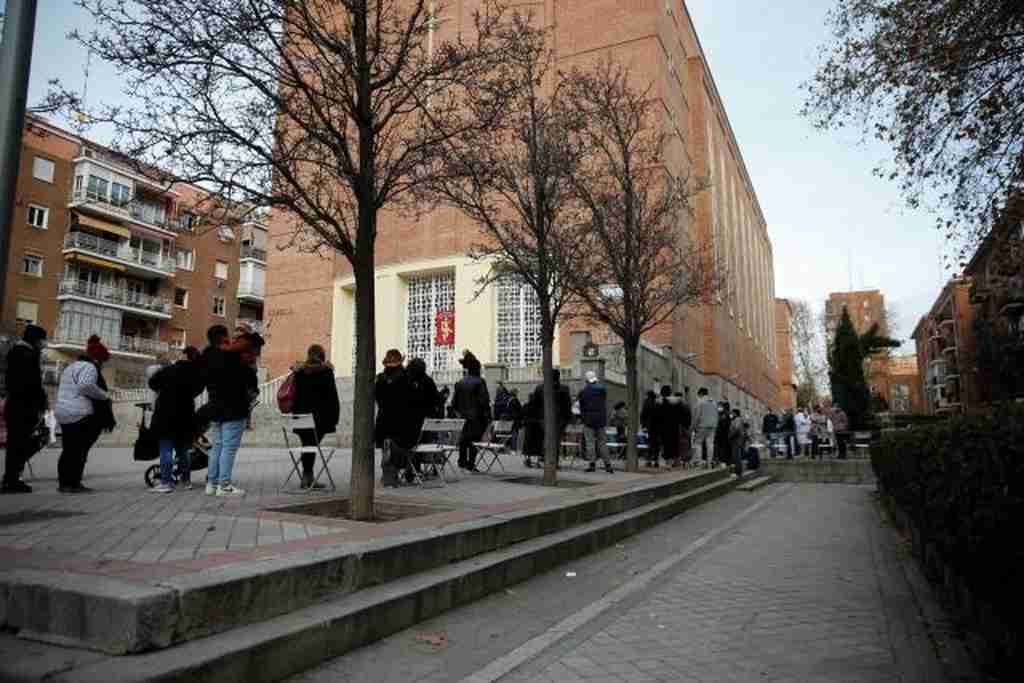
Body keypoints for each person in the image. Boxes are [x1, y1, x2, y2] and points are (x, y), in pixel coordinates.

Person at [203, 327, 261, 496]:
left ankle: (212, 485)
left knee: (217, 447)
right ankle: (225, 485)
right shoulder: (232, 356)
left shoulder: (207, 355)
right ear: (223, 338)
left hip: (215, 406)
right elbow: (257, 342)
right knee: (228, 448)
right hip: (234, 407)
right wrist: (248, 332)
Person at [54, 336, 114, 493]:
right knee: (79, 450)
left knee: (68, 449)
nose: (102, 364)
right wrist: (104, 395)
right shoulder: (90, 367)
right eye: (102, 361)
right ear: (98, 358)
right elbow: (85, 385)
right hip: (79, 413)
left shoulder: (71, 366)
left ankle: (64, 483)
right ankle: (73, 483)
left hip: (63, 412)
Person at [148, 346, 206, 492]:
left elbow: (153, 383)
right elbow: (198, 390)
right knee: (183, 451)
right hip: (186, 415)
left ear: (184, 355)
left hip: (165, 415)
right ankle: (185, 481)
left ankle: (166, 482)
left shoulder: (168, 370)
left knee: (166, 449)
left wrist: (166, 391)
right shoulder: (196, 374)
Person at [2, 325, 49, 493]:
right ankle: (11, 480)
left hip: (18, 405)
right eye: (43, 339)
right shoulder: (25, 354)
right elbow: (31, 384)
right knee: (18, 444)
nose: (44, 343)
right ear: (35, 339)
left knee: (17, 444)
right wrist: (40, 402)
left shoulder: (20, 352)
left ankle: (12, 478)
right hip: (22, 407)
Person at [291, 344, 341, 488]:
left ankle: (307, 476)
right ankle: (308, 477)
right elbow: (332, 396)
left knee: (307, 444)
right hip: (320, 418)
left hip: (300, 418)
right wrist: (335, 417)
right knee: (311, 444)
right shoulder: (326, 372)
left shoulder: (299, 372)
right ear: (322, 356)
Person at [375, 349, 415, 486]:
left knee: (386, 447)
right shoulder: (406, 377)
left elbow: (377, 398)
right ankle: (393, 474)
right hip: (401, 422)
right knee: (400, 445)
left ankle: (388, 474)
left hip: (383, 421)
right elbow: (411, 400)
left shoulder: (380, 378)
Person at [453, 350, 491, 472]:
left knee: (464, 439)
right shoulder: (480, 382)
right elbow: (484, 401)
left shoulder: (460, 383)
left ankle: (462, 461)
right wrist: (488, 415)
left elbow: (454, 403)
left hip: (464, 416)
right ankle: (470, 463)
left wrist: (460, 412)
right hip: (477, 417)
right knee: (474, 440)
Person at [578, 371, 614, 474]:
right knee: (602, 443)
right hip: (601, 421)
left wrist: (583, 418)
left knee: (590, 443)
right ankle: (608, 465)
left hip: (588, 420)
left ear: (586, 381)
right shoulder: (602, 390)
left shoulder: (583, 392)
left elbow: (582, 407)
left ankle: (592, 465)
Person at [651, 386, 685, 468]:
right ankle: (672, 461)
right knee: (673, 443)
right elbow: (681, 414)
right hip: (675, 426)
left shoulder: (660, 402)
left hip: (663, 426)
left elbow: (656, 416)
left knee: (665, 444)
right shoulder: (677, 402)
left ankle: (667, 461)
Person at [694, 387, 719, 466]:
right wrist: (715, 425)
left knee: (698, 443)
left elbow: (697, 416)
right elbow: (717, 415)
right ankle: (709, 462)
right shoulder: (714, 402)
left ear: (700, 394)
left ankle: (700, 461)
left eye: (698, 395)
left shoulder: (700, 402)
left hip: (702, 425)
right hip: (713, 426)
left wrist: (694, 426)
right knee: (710, 443)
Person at [675, 391, 693, 467]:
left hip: (677, 427)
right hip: (686, 427)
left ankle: (677, 461)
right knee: (686, 444)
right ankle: (686, 461)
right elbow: (689, 417)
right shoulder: (687, 405)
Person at [728, 408, 748, 477]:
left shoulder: (737, 420)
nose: (731, 414)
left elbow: (736, 429)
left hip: (736, 440)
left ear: (735, 413)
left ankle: (738, 472)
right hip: (738, 440)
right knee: (736, 456)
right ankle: (738, 472)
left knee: (736, 457)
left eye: (732, 413)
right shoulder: (738, 420)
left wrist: (730, 436)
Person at [714, 401, 732, 468]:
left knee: (723, 448)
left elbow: (723, 424)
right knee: (724, 448)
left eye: (720, 406)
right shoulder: (726, 414)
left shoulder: (724, 414)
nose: (719, 407)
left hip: (723, 434)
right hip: (724, 434)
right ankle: (726, 461)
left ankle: (724, 461)